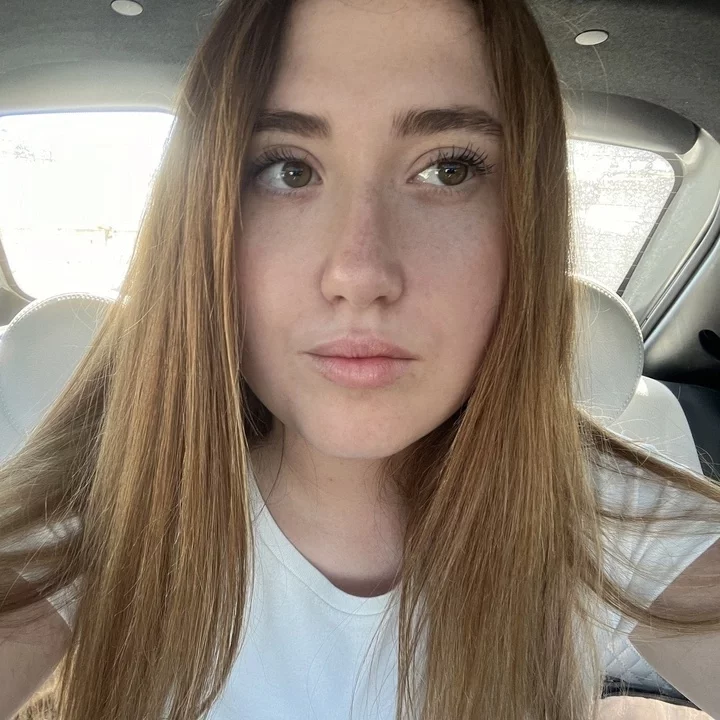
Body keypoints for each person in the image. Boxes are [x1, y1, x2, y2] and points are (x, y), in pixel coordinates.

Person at [1, 0, 719, 719]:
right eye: (288, 170)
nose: (360, 272)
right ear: (205, 219)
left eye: (449, 170)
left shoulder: (601, 512)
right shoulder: (108, 497)